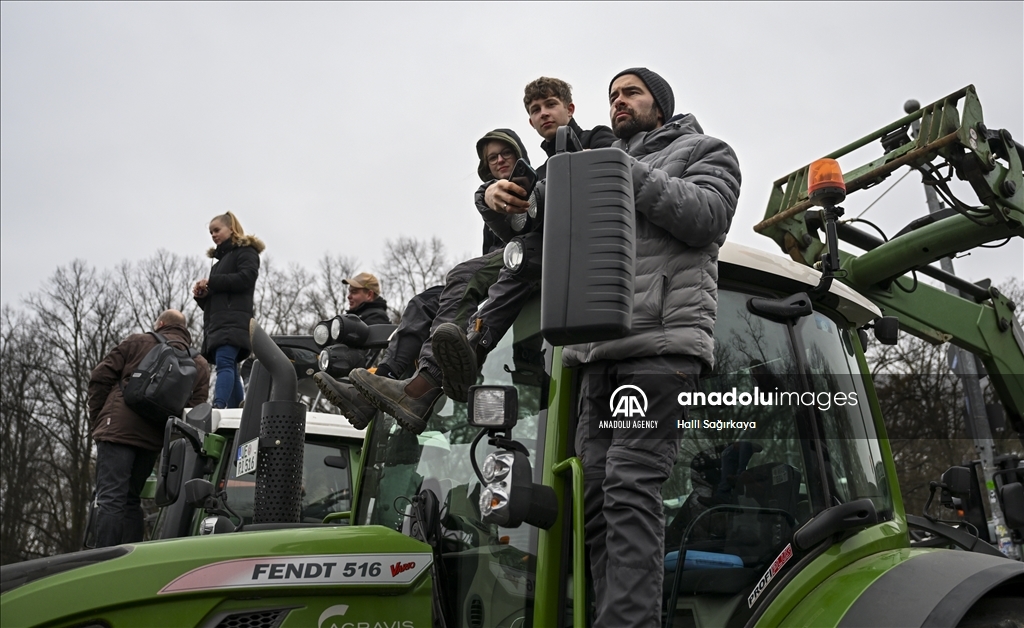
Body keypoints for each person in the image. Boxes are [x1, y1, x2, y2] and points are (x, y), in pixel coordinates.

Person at [568, 68, 741, 628]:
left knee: (629, 482)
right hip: (599, 354)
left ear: (660, 105)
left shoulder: (706, 150)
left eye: (630, 93)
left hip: (659, 348)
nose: (618, 102)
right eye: (612, 96)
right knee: (592, 497)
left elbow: (706, 216)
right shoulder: (597, 165)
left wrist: (624, 170)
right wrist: (503, 204)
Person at [315, 130, 532, 430]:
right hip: (498, 268)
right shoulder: (491, 201)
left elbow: (508, 252)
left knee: (464, 275)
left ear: (519, 153)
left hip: (524, 260)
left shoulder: (537, 186)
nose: (499, 160)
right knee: (423, 302)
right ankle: (377, 388)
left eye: (505, 153)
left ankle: (425, 382)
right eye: (491, 158)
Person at [432, 77, 615, 399]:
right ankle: (457, 363)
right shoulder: (535, 174)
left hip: (587, 248)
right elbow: (516, 234)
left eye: (550, 105)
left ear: (569, 109)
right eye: (535, 109)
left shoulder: (597, 138)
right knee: (440, 295)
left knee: (496, 268)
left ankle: (468, 353)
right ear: (530, 120)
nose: (544, 113)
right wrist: (487, 198)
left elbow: (610, 183)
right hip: (535, 254)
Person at [88, 309, 211, 547]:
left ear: (161, 324)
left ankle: (102, 561)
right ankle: (129, 558)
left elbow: (99, 376)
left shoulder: (138, 342)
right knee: (131, 500)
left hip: (116, 431)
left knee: (111, 498)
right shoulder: (199, 363)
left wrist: (99, 419)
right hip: (152, 440)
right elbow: (195, 412)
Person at [193, 212, 265, 409]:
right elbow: (217, 302)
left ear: (231, 228)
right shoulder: (217, 266)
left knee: (225, 363)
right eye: (211, 233)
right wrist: (203, 296)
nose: (213, 235)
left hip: (233, 322)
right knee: (229, 365)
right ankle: (236, 411)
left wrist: (213, 282)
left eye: (217, 230)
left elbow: (247, 278)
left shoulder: (246, 252)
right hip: (219, 323)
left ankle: (218, 407)